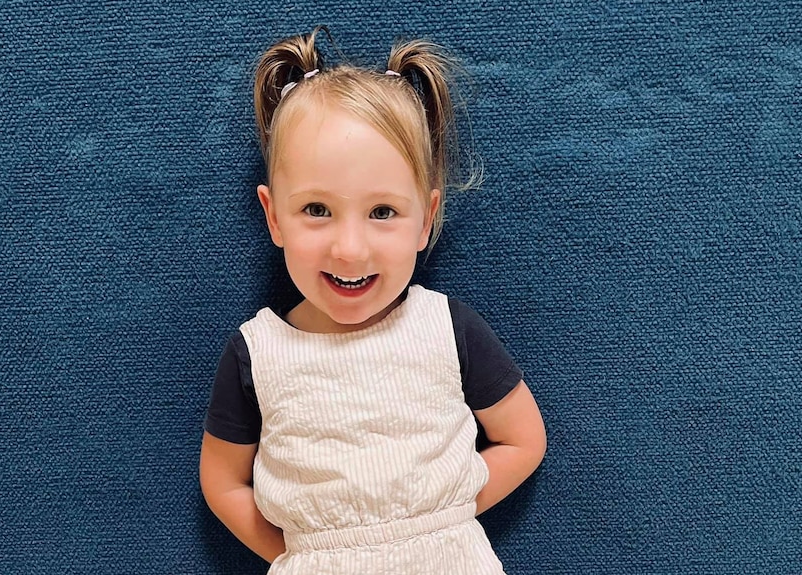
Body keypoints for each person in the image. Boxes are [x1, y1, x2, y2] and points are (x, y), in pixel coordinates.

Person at [199, 27, 547, 574]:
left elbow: (524, 440)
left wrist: (442, 523)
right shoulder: (257, 353)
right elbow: (222, 481)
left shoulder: (445, 328)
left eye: (382, 212)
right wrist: (304, 555)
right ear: (273, 216)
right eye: (316, 209)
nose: (350, 247)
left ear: (425, 219)